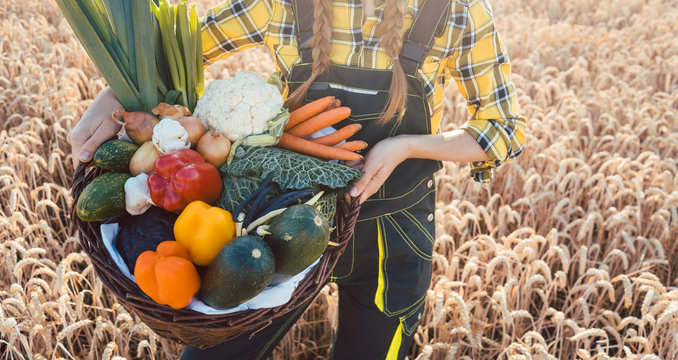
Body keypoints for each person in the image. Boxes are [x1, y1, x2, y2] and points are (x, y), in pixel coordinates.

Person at [68, 0, 526, 358]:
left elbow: (504, 128)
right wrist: (115, 98)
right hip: (278, 220)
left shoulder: (455, 11)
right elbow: (173, 56)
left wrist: (406, 145)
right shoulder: (281, 4)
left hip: (393, 235)